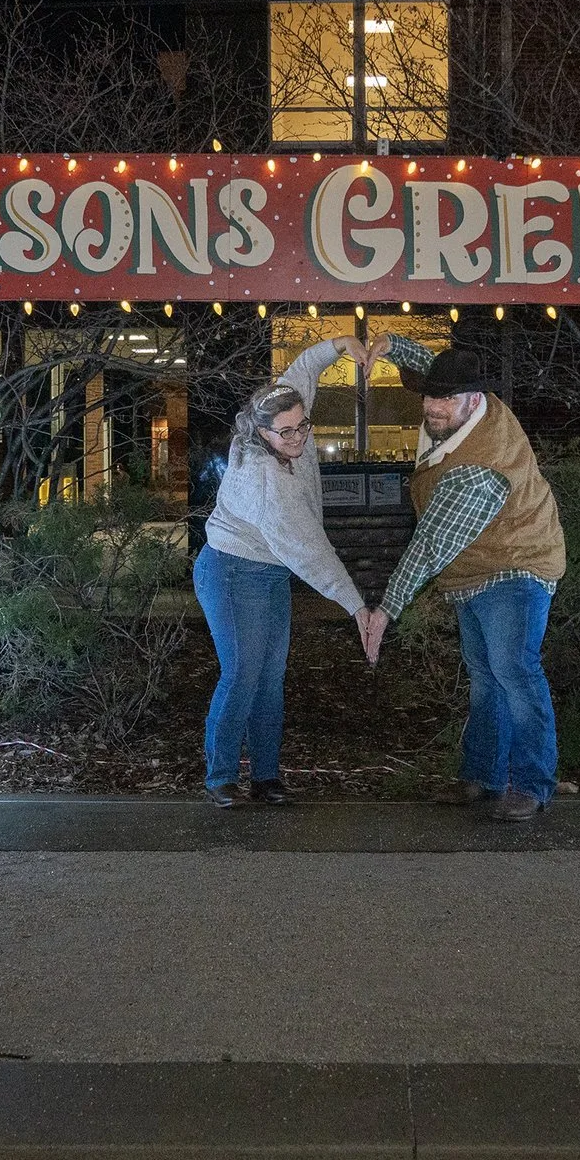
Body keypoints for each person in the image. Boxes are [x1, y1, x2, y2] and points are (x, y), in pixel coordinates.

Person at [363, 335, 568, 823]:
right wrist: (389, 345)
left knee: (515, 672)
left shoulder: (479, 466)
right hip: (472, 570)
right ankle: (482, 777)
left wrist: (385, 610)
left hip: (516, 564)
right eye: (431, 397)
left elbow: (429, 544)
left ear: (475, 400)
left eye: (446, 400)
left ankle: (532, 784)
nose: (434, 408)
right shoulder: (465, 402)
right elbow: (431, 364)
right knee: (484, 678)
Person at [193, 333, 384, 808]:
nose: (299, 438)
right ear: (261, 433)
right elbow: (311, 551)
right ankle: (219, 778)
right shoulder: (265, 480)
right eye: (288, 433)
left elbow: (300, 372)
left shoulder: (282, 411)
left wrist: (340, 345)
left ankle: (266, 776)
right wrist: (356, 606)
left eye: (303, 427)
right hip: (233, 571)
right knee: (242, 673)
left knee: (270, 676)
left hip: (269, 571)